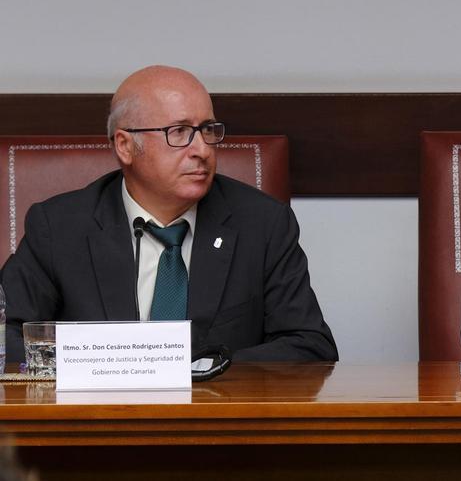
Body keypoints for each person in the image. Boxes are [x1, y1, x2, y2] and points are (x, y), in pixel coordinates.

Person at [1, 66, 337, 363]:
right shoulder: (60, 227)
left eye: (207, 129)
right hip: (97, 423)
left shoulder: (262, 225)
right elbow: (6, 334)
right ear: (125, 146)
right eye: (178, 132)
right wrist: (96, 364)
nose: (202, 149)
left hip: (219, 423)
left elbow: (309, 345)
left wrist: (205, 369)